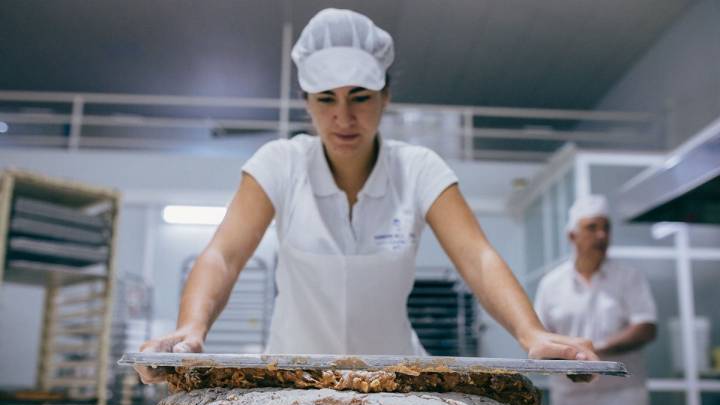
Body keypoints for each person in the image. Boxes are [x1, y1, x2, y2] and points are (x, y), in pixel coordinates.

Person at [136, 8, 598, 384]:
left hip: (394, 381)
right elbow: (224, 255)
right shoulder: (280, 163)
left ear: (386, 97)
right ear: (305, 102)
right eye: (325, 99)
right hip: (292, 380)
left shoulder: (417, 168)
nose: (343, 118)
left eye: (359, 97)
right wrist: (192, 327)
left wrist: (530, 333)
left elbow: (477, 258)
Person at [534, 195, 657, 405]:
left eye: (606, 228)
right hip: (569, 399)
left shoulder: (629, 278)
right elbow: (539, 337)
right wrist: (572, 357)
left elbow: (646, 328)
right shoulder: (551, 284)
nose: (601, 235)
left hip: (623, 399)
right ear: (572, 236)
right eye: (592, 228)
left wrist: (594, 349)